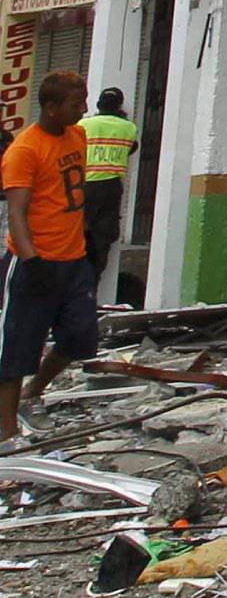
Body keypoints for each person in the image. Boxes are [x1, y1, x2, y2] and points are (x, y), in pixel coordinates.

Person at [1, 71, 96, 441]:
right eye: (76, 104)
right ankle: (7, 435)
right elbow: (17, 213)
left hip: (74, 260)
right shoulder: (24, 150)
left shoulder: (78, 136)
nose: (83, 109)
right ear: (52, 108)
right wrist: (31, 260)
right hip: (35, 263)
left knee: (80, 336)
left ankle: (33, 393)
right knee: (17, 351)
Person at [78, 88, 139, 285]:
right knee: (103, 238)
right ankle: (92, 283)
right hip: (111, 188)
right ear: (119, 105)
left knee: (78, 233)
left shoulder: (83, 125)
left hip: (84, 186)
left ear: (98, 105)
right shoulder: (129, 128)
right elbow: (132, 148)